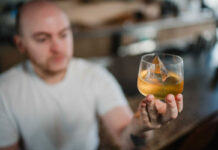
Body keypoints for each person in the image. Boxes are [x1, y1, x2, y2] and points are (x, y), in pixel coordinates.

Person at [0, 1, 183, 150]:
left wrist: (141, 127)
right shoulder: (4, 91)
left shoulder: (94, 76)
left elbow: (127, 141)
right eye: (42, 38)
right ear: (20, 44)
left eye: (63, 35)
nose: (57, 47)